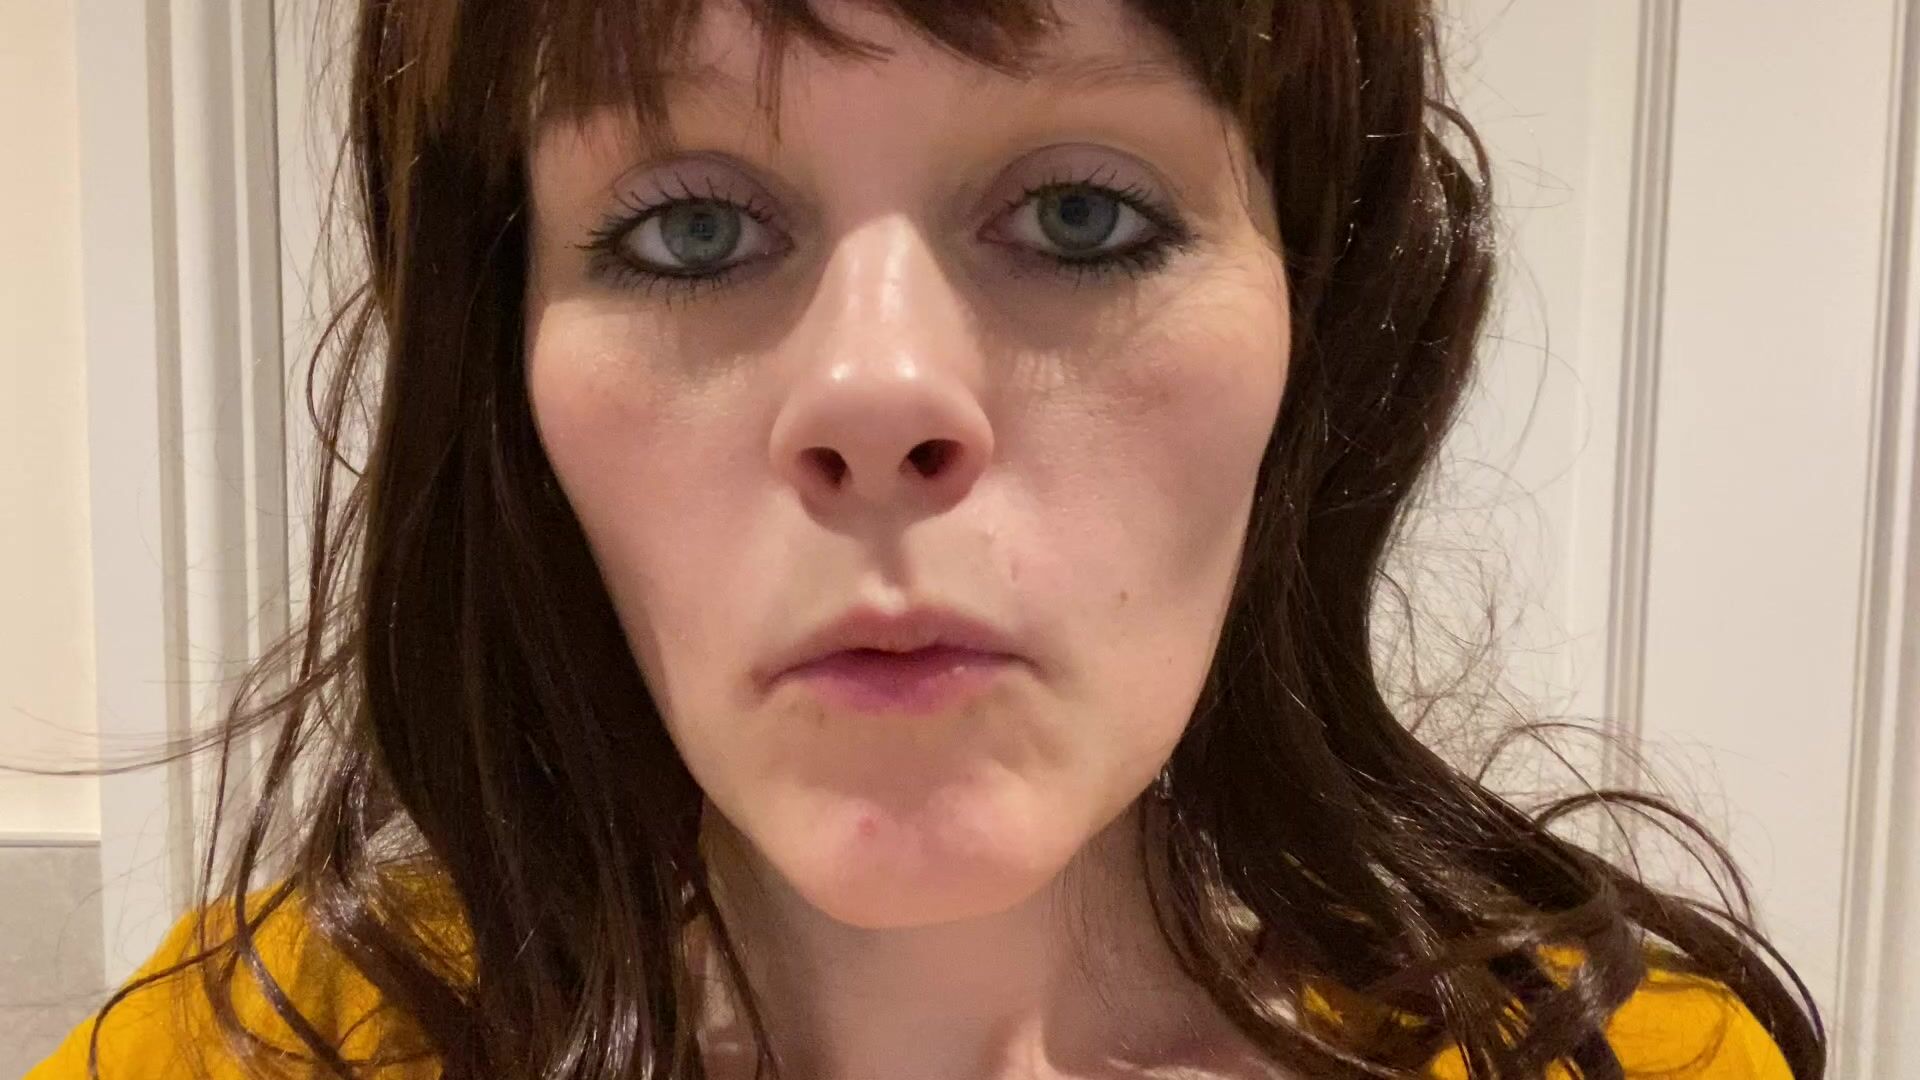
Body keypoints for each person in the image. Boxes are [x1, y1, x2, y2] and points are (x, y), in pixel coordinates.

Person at [30, 0, 1826, 1076]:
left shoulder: (1627, 1069)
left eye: (1085, 214)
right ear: (503, 371)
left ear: (1324, 329)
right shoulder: (238, 1057)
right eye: (688, 235)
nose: (878, 392)